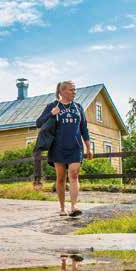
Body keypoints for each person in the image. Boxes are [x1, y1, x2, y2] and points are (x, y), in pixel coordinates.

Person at [36, 81, 92, 216]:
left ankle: (74, 206)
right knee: (61, 178)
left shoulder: (78, 107)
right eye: (71, 90)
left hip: (75, 147)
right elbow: (38, 123)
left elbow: (84, 128)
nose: (74, 92)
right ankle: (62, 208)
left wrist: (88, 148)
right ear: (62, 92)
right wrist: (51, 114)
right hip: (58, 147)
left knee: (74, 174)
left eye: (75, 90)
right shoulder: (53, 106)